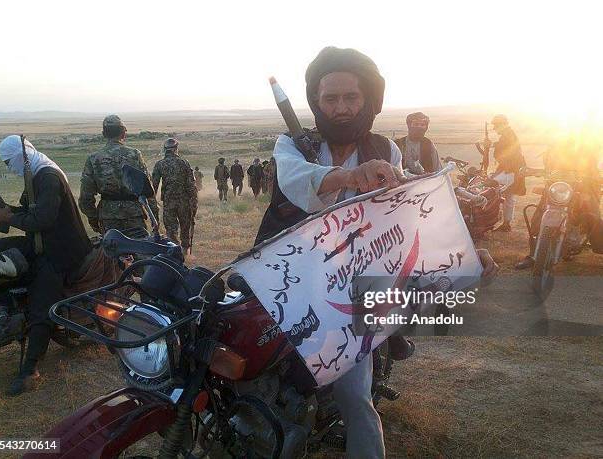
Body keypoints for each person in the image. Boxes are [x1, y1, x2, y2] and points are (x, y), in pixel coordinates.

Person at [254, 46, 498, 459]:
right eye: (330, 99)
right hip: (291, 279)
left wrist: (467, 251)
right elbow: (297, 181)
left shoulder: (387, 150)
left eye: (351, 97)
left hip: (352, 287)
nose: (342, 108)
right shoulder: (293, 145)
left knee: (356, 396)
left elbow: (408, 214)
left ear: (368, 100)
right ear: (316, 102)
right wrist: (348, 176)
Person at [0, 136, 92, 395]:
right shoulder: (34, 175)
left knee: (41, 303)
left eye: (9, 161)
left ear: (22, 156)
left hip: (61, 250)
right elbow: (29, 213)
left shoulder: (47, 177)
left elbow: (43, 219)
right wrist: (4, 209)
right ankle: (3, 307)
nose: (8, 167)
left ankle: (30, 370)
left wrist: (10, 217)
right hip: (41, 242)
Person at [515, 135, 602, 269]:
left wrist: (593, 181)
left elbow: (592, 172)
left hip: (581, 188)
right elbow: (548, 170)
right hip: (557, 189)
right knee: (538, 218)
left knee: (592, 214)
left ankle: (598, 246)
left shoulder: (587, 150)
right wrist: (534, 172)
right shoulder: (553, 149)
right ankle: (534, 255)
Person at [79, 114, 159, 234]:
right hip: (134, 216)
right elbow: (148, 189)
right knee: (139, 250)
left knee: (112, 250)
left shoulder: (94, 158)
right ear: (123, 133)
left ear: (104, 134)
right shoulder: (134, 155)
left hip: (108, 218)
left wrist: (93, 218)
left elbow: (85, 197)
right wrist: (154, 216)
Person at [152, 138, 197, 254]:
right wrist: (194, 203)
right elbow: (191, 185)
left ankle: (174, 253)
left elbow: (153, 187)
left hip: (168, 202)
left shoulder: (160, 164)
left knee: (171, 230)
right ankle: (185, 253)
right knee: (185, 227)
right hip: (184, 201)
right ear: (176, 149)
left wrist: (153, 205)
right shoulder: (184, 162)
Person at [484, 114, 526, 232]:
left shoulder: (508, 135)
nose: (495, 128)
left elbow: (506, 149)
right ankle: (506, 223)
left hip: (511, 170)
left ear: (503, 124)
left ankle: (488, 219)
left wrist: (491, 145)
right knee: (509, 197)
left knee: (490, 189)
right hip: (512, 170)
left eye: (497, 125)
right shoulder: (508, 134)